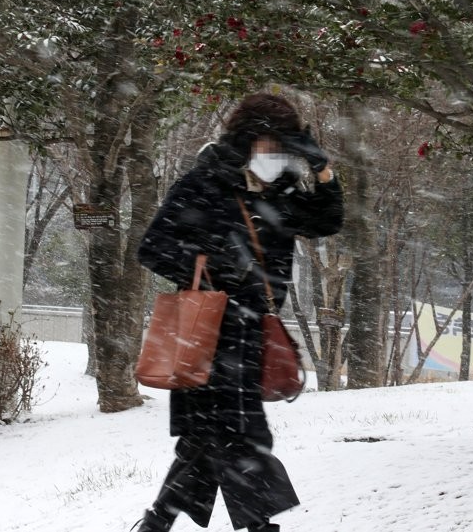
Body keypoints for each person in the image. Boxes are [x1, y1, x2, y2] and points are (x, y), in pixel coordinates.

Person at [133, 93, 344, 532]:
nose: (277, 156)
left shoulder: (281, 189)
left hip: (254, 335)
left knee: (205, 442)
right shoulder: (205, 184)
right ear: (247, 141)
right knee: (241, 438)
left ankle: (156, 524)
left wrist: (320, 169)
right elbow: (153, 249)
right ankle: (260, 528)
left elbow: (326, 221)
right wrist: (212, 267)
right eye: (270, 145)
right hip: (207, 334)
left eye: (285, 148)